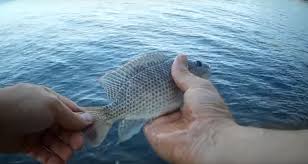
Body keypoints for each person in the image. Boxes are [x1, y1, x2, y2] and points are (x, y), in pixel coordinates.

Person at [0, 55, 307, 164]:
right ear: (187, 70)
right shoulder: (186, 75)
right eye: (194, 64)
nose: (200, 67)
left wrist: (215, 137)